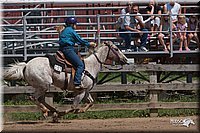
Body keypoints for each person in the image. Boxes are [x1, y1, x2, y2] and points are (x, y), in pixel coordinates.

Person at [59, 17, 97, 89]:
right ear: (72, 24)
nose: (76, 26)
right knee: (80, 65)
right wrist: (89, 44)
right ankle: (77, 82)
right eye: (75, 24)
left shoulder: (65, 30)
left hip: (64, 48)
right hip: (68, 49)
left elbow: (68, 40)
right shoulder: (71, 31)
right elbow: (79, 39)